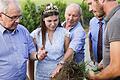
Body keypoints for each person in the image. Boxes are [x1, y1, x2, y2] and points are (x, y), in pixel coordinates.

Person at [0, 0, 47, 80]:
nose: (17, 21)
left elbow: (30, 52)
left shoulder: (23, 31)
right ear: (1, 16)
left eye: (19, 16)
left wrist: (37, 55)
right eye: (13, 17)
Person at [30, 3, 71, 80]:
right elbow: (31, 59)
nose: (53, 24)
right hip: (41, 76)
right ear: (43, 19)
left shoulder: (65, 34)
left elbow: (68, 56)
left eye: (55, 20)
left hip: (60, 75)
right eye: (49, 21)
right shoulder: (36, 35)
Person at [86, 0, 120, 79]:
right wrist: (103, 63)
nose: (90, 9)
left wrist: (96, 77)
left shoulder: (115, 21)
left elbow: (116, 68)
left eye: (90, 3)